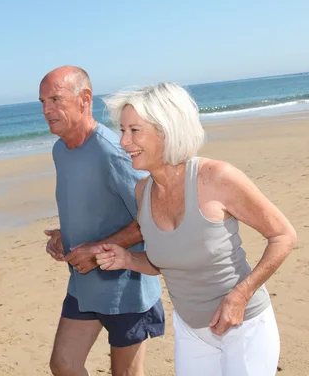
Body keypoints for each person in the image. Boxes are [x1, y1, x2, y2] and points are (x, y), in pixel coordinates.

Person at [93, 81, 297, 376]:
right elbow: (168, 262)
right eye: (122, 130)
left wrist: (239, 296)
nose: (123, 142)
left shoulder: (216, 178)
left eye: (134, 130)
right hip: (191, 331)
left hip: (244, 326)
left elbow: (283, 236)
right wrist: (127, 259)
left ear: (167, 130)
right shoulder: (142, 192)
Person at [39, 66, 165, 376]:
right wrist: (65, 234)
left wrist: (97, 250)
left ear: (84, 99)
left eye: (55, 99)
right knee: (64, 365)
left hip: (127, 288)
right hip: (83, 285)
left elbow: (152, 216)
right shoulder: (61, 151)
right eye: (42, 102)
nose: (46, 110)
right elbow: (95, 205)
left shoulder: (113, 152)